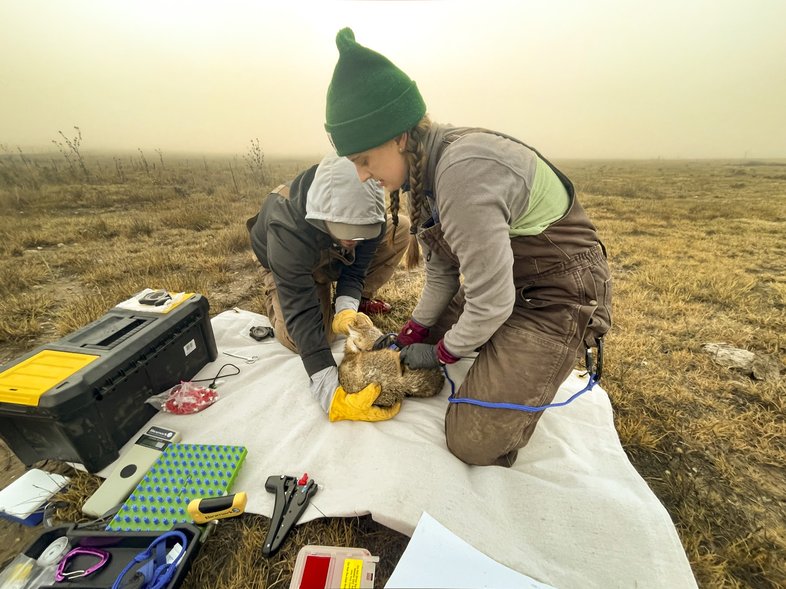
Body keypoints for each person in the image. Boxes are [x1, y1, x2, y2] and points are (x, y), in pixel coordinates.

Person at [323, 28, 613, 466]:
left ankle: (524, 360)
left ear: (399, 136)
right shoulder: (423, 175)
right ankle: (497, 353)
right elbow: (443, 273)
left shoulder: (462, 171)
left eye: (365, 159)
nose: (363, 175)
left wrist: (444, 352)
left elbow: (491, 300)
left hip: (557, 294)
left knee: (471, 442)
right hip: (504, 284)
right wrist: (416, 332)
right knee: (411, 355)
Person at [247, 151, 410, 422]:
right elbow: (301, 309)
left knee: (400, 227)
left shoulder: (370, 219)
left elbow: (356, 270)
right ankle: (277, 294)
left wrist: (346, 309)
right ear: (321, 217)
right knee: (304, 339)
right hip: (289, 262)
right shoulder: (287, 227)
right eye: (347, 232)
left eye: (361, 234)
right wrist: (329, 391)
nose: (355, 240)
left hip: (326, 251)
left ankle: (356, 304)